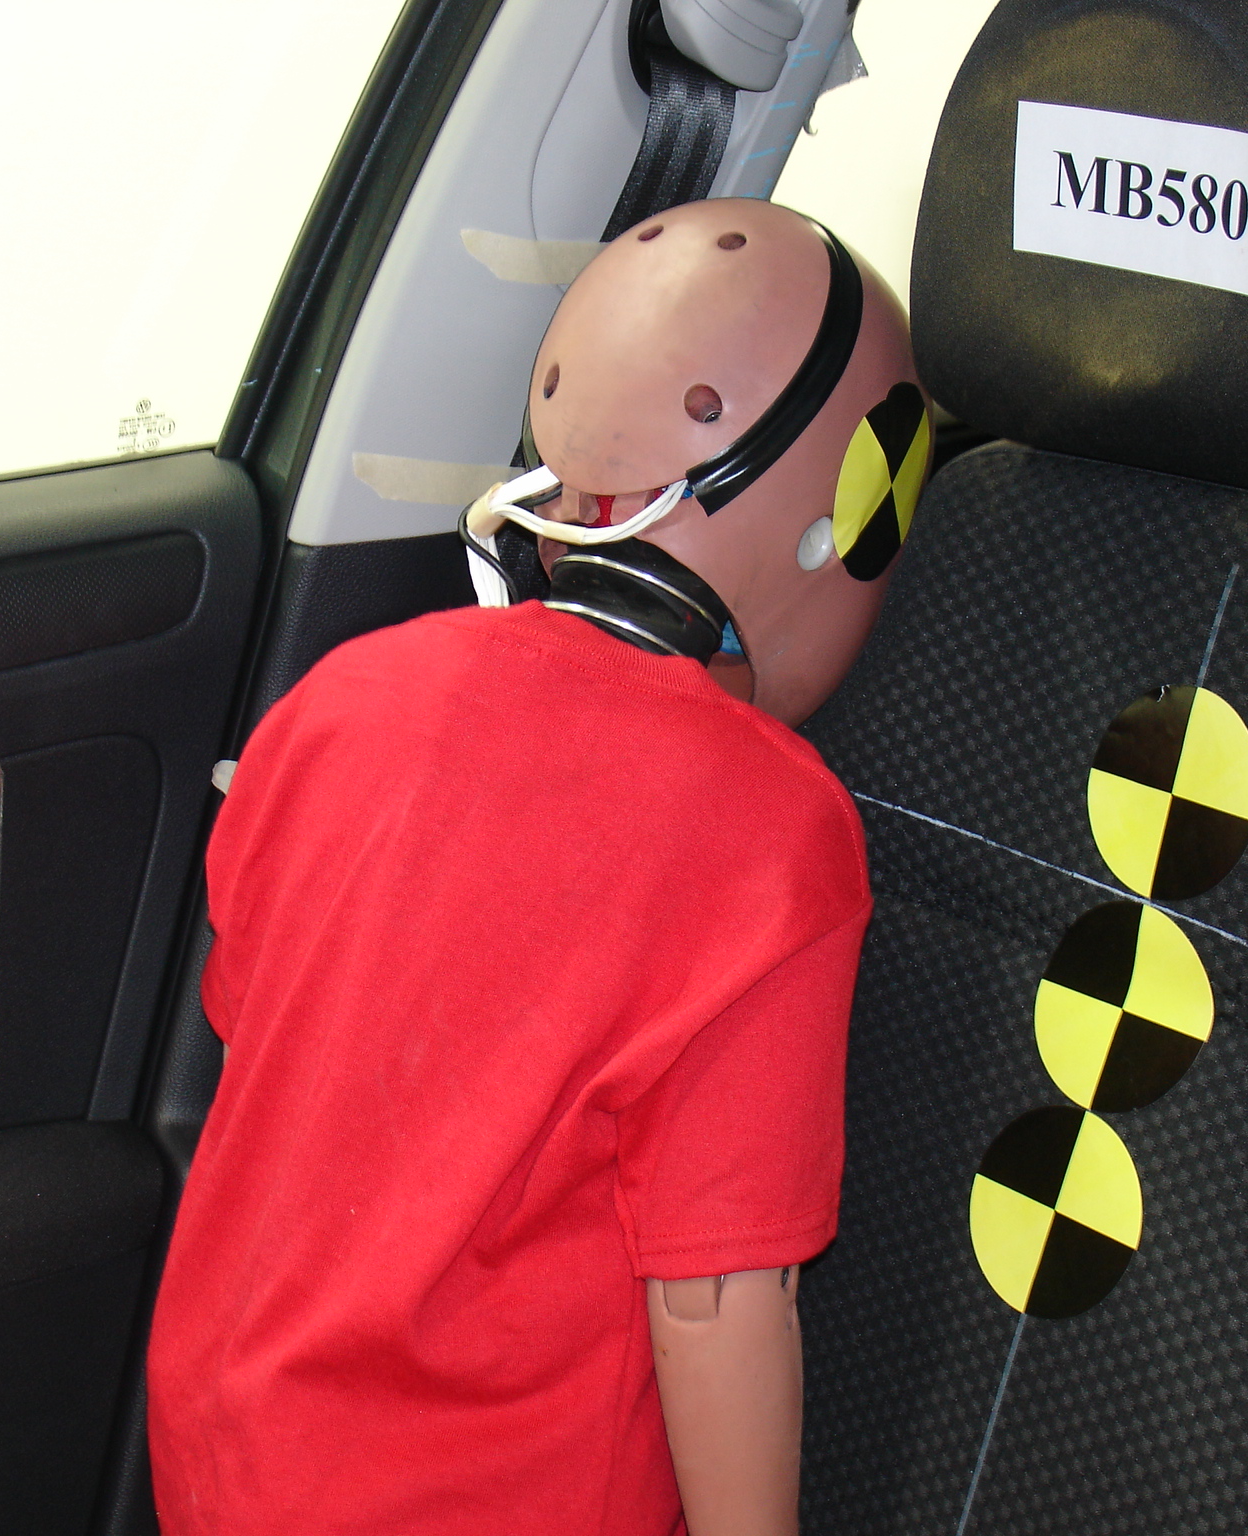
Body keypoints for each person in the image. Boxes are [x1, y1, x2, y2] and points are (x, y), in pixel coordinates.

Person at [147, 198, 928, 1536]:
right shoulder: (768, 836)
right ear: (835, 519)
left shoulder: (340, 701)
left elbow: (265, 1046)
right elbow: (717, 1297)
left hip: (227, 1460)